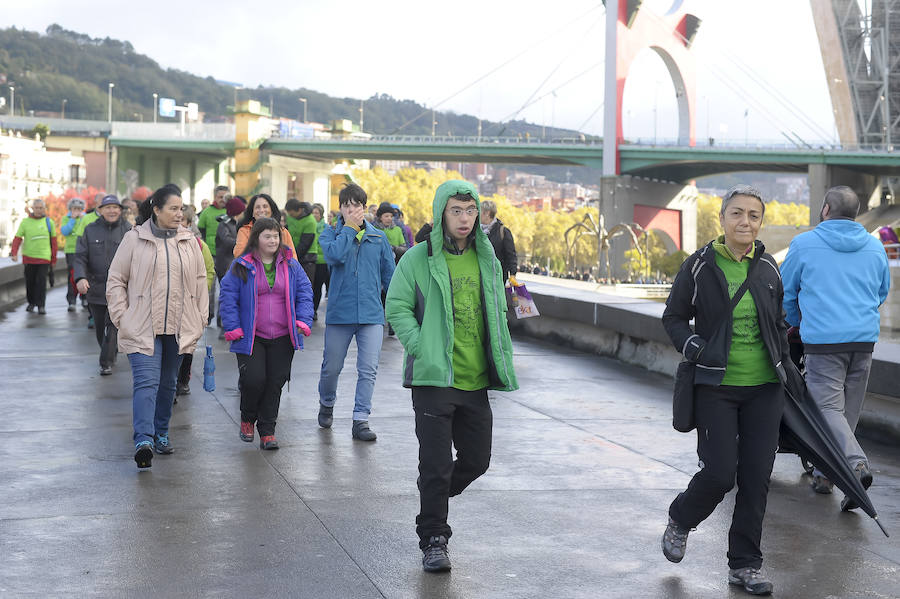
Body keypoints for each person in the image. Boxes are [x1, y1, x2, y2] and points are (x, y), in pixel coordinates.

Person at [660, 185, 789, 596]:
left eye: (753, 215)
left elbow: (778, 323)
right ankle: (682, 517)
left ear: (760, 222)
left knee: (756, 479)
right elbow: (674, 316)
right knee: (719, 473)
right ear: (722, 218)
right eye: (737, 213)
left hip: (765, 388)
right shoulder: (699, 265)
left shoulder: (769, 267)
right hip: (716, 384)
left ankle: (745, 565)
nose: (745, 222)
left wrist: (786, 361)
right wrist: (691, 346)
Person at [385, 180, 518, 573]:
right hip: (434, 380)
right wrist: (419, 344)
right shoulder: (418, 257)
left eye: (470, 211)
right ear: (441, 212)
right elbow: (396, 305)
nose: (464, 218)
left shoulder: (488, 258)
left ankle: (434, 493)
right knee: (436, 463)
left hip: (475, 379)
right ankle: (434, 538)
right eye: (456, 211)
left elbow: (499, 305)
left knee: (477, 461)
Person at [780, 185, 890, 508]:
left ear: (826, 209)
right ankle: (828, 474)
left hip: (824, 342)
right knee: (847, 412)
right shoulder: (875, 247)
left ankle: (854, 466)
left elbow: (785, 294)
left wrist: (799, 322)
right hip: (864, 341)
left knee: (827, 410)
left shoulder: (804, 244)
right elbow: (882, 292)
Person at [106, 184, 209, 469]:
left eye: (181, 209)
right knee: (146, 383)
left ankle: (161, 432)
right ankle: (144, 440)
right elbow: (116, 280)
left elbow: (201, 281)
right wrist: (122, 317)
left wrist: (200, 318)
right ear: (156, 209)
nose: (180, 214)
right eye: (173, 209)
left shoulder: (189, 241)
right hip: (142, 326)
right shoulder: (134, 239)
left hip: (178, 328)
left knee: (168, 386)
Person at [219, 218, 314, 449]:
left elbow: (305, 291)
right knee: (253, 380)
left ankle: (268, 431)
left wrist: (302, 319)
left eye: (276, 236)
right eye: (267, 236)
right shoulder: (242, 264)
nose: (272, 240)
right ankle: (247, 417)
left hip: (284, 335)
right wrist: (232, 327)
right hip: (251, 336)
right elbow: (228, 296)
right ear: (257, 239)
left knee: (274, 382)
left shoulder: (290, 264)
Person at [316, 183, 395, 441]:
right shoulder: (329, 235)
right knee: (331, 367)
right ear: (340, 208)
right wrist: (348, 230)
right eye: (347, 205)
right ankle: (327, 402)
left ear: (364, 207)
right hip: (340, 313)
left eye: (357, 205)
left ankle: (361, 419)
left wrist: (391, 304)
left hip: (371, 314)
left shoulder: (378, 238)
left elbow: (390, 276)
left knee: (368, 368)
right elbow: (335, 257)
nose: (352, 210)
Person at [73, 195, 132, 375]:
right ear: (100, 210)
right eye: (108, 207)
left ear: (120, 210)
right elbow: (80, 257)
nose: (112, 211)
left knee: (113, 325)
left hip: (121, 289)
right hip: (96, 288)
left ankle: (105, 361)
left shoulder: (129, 230)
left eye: (115, 207)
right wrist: (80, 278)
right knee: (100, 328)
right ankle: (109, 351)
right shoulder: (90, 230)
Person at [175, 206, 216, 397]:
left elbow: (208, 272)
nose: (179, 224)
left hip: (191, 302)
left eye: (183, 220)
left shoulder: (200, 246)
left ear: (190, 224)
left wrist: (200, 292)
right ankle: (170, 381)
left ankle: (183, 380)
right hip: (171, 303)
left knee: (188, 345)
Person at [11, 198, 58, 315]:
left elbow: (54, 242)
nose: (39, 210)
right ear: (33, 209)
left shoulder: (49, 222)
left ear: (44, 209)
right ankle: (31, 303)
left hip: (44, 258)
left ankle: (41, 305)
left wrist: (53, 258)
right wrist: (14, 253)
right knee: (30, 282)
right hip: (29, 258)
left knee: (41, 282)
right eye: (36, 208)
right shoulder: (25, 222)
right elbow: (17, 239)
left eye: (41, 208)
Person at [198, 185, 229, 324]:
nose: (222, 199)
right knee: (209, 288)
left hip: (227, 255)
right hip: (210, 254)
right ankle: (208, 315)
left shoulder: (231, 212)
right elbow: (201, 231)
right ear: (215, 197)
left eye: (225, 196)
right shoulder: (206, 212)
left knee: (225, 289)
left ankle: (222, 319)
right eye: (220, 196)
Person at [60, 197, 98, 311]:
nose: (76, 210)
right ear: (70, 209)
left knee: (85, 274)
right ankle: (71, 299)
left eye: (79, 208)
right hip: (71, 251)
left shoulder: (86, 218)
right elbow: (65, 231)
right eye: (74, 208)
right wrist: (72, 219)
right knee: (72, 276)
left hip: (84, 250)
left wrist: (81, 219)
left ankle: (84, 297)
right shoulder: (66, 218)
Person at [479, 200, 518, 285]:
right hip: (479, 276)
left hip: (497, 278)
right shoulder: (476, 231)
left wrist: (512, 274)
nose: (477, 214)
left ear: (487, 213)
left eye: (480, 211)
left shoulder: (503, 231)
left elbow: (511, 255)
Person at [284, 199, 319, 284]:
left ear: (299, 210)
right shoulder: (290, 217)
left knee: (305, 285)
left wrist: (293, 258)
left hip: (307, 259)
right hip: (292, 256)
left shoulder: (310, 221)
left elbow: (305, 244)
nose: (290, 217)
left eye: (292, 214)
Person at [311, 203, 330, 320]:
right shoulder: (309, 226)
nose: (314, 215)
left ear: (321, 214)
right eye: (312, 213)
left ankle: (314, 310)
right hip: (310, 260)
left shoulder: (326, 227)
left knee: (317, 287)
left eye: (316, 213)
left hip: (322, 261)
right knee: (310, 287)